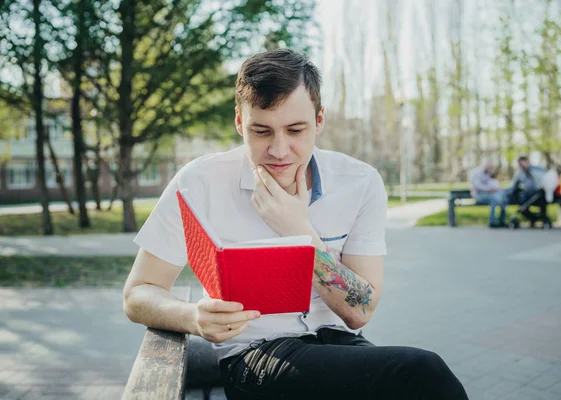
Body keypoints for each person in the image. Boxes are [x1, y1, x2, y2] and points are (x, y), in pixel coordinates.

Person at [123, 48, 469, 400]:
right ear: (240, 122)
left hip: (339, 343)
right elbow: (137, 294)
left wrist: (300, 232)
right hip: (254, 355)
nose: (279, 149)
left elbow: (360, 311)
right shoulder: (199, 182)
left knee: (417, 381)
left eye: (295, 130)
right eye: (261, 131)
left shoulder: (360, 182)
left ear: (319, 121)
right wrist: (192, 316)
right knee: (422, 374)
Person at [507, 155, 550, 227]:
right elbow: (514, 185)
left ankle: (543, 219)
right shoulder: (519, 173)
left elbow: (546, 177)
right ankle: (533, 218)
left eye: (522, 163)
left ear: (527, 162)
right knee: (522, 204)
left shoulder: (537, 169)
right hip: (527, 193)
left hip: (540, 192)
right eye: (519, 164)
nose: (521, 166)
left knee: (542, 199)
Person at [470, 159, 508, 228]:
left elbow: (493, 183)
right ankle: (492, 221)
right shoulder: (476, 173)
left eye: (491, 167)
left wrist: (497, 188)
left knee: (503, 197)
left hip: (490, 194)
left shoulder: (489, 173)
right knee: (494, 199)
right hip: (479, 194)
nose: (490, 169)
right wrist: (489, 189)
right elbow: (477, 186)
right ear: (485, 165)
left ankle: (501, 221)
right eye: (489, 167)